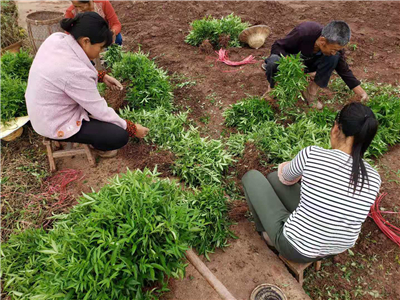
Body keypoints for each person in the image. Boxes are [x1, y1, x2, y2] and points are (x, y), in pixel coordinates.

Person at [242, 102, 381, 263]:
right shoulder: (374, 177)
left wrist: (290, 166)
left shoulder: (313, 155)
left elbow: (285, 177)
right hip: (337, 247)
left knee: (252, 177)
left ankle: (267, 235)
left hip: (297, 249)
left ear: (336, 128)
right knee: (273, 179)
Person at [25, 12, 148, 157]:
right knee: (119, 136)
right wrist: (132, 128)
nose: (100, 52)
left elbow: (67, 74)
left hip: (42, 110)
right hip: (53, 122)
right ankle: (99, 146)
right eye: (101, 47)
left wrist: (102, 76)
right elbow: (100, 110)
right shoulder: (75, 73)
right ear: (86, 41)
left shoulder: (56, 39)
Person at [262, 21, 368, 109]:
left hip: (309, 65)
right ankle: (272, 89)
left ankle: (311, 92)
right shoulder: (303, 32)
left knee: (334, 58)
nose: (334, 52)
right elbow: (277, 46)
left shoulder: (334, 46)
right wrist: (290, 63)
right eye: (334, 49)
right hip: (293, 61)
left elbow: (344, 70)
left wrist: (361, 93)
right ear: (322, 41)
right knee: (273, 62)